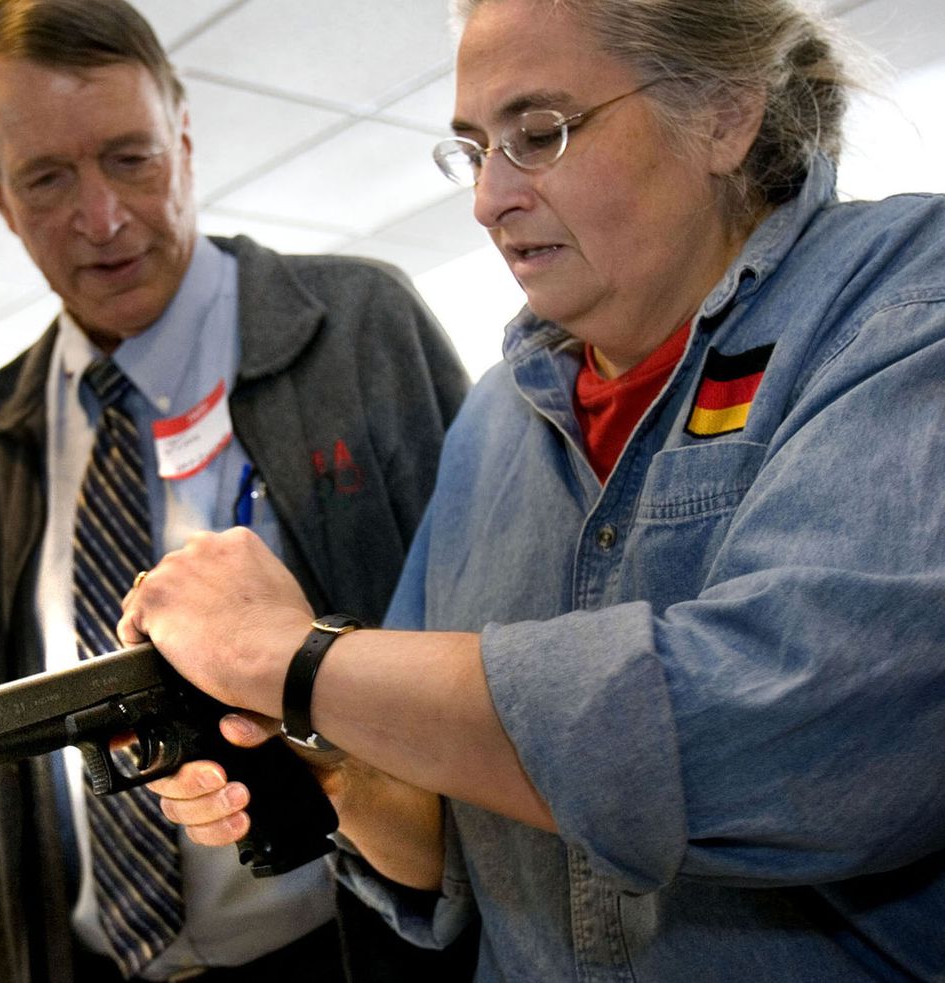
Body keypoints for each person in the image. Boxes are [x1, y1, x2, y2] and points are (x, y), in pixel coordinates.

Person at [123, 0, 945, 979]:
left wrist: (292, 659)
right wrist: (313, 739)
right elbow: (438, 846)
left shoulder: (897, 304)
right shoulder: (490, 424)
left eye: (538, 134)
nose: (486, 197)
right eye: (473, 148)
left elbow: (785, 742)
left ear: (723, 113)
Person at [0, 1, 471, 981]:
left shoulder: (358, 329)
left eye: (130, 158)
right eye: (47, 178)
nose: (99, 218)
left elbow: (486, 652)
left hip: (351, 946)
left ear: (183, 137)